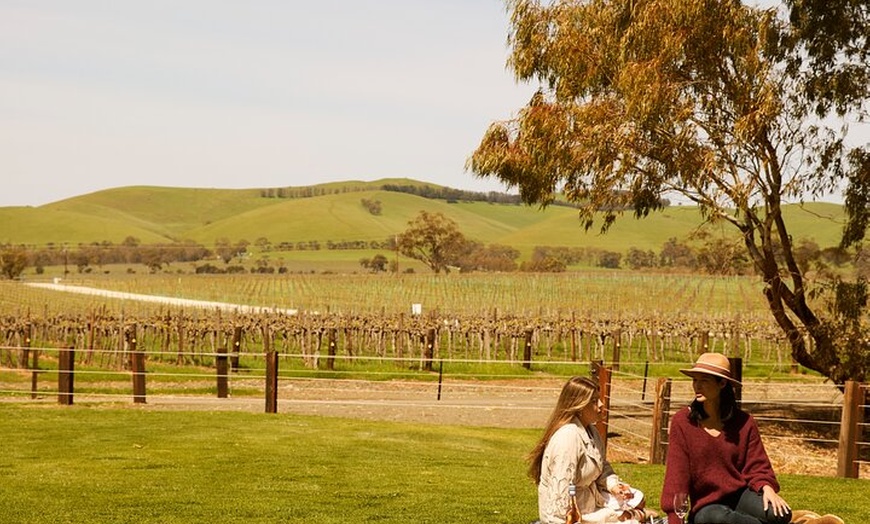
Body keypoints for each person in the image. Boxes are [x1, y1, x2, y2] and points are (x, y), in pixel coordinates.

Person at [660, 352, 792, 524]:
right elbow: (677, 476)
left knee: (781, 514)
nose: (697, 386)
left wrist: (767, 488)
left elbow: (757, 465)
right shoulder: (683, 422)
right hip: (706, 506)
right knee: (717, 517)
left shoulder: (744, 422)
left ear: (722, 383)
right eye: (695, 380)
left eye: (704, 381)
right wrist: (675, 518)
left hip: (740, 496)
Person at [529, 376, 650, 524]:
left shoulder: (591, 431)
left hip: (590, 503)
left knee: (638, 498)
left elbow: (601, 465)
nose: (601, 405)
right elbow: (560, 501)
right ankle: (632, 515)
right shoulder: (568, 437)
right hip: (571, 516)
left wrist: (614, 486)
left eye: (598, 399)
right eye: (593, 401)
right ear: (579, 406)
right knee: (634, 521)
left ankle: (633, 514)